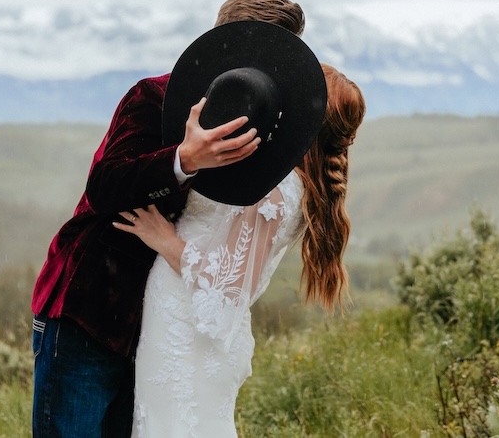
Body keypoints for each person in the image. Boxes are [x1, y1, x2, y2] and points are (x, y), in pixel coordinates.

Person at [30, 0, 306, 438]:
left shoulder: (262, 127)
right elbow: (104, 186)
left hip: (158, 330)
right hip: (89, 312)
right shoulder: (154, 97)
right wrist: (184, 159)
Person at [114, 64, 366, 437]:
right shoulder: (289, 180)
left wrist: (163, 238)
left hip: (188, 333)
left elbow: (225, 290)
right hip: (181, 327)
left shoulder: (278, 190)